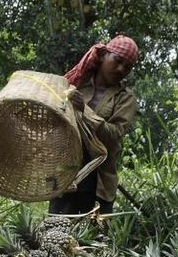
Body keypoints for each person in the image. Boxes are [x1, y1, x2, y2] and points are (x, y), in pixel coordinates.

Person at [49, 35, 139, 215]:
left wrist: (86, 113)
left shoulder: (125, 98)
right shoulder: (77, 83)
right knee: (56, 234)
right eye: (118, 61)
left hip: (98, 183)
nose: (121, 69)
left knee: (94, 240)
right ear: (105, 55)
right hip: (66, 176)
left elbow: (114, 135)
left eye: (127, 67)